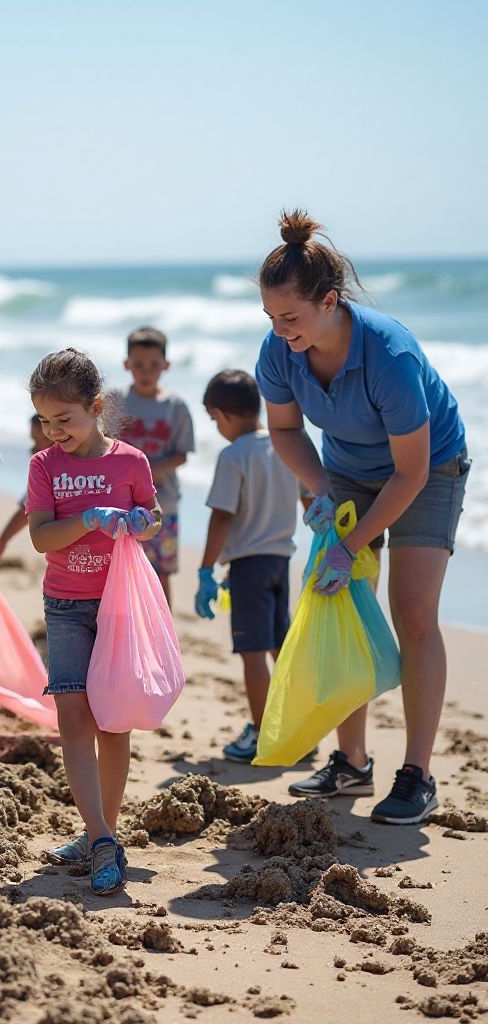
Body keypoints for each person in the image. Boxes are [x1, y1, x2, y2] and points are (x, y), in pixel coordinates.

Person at [256, 209, 469, 825]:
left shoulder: (389, 354)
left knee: (413, 612)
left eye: (290, 317)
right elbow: (284, 427)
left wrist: (353, 544)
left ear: (329, 302)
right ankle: (352, 762)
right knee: (342, 599)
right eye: (270, 317)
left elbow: (412, 471)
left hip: (429, 470)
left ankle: (417, 775)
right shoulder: (280, 350)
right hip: (347, 469)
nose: (279, 330)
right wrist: (320, 486)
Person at [25, 348, 162, 895]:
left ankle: (97, 829)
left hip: (119, 607)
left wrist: (139, 522)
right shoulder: (44, 467)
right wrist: (85, 518)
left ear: (96, 407)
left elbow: (152, 521)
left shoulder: (130, 462)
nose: (55, 432)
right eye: (44, 421)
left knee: (112, 722)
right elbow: (40, 537)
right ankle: (102, 837)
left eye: (65, 419)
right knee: (73, 716)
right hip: (65, 605)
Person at [194, 370, 308, 763]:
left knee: (252, 652)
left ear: (223, 415)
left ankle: (262, 733)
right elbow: (312, 500)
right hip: (282, 560)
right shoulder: (287, 446)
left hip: (247, 566)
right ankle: (298, 728)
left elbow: (221, 516)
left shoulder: (234, 455)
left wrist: (205, 569)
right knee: (282, 649)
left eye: (213, 420)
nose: (217, 429)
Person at [105, 326, 195, 607]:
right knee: (118, 570)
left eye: (154, 365)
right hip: (120, 504)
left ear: (166, 365)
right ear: (126, 364)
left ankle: (161, 628)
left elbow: (182, 453)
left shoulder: (175, 405)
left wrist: (149, 470)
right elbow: (103, 445)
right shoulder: (115, 401)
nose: (146, 372)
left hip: (163, 506)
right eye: (138, 365)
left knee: (160, 574)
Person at [0, 414, 52, 560]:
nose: (36, 447)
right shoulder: (44, 469)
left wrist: (3, 541)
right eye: (34, 440)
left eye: (46, 439)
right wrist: (3, 540)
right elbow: (27, 507)